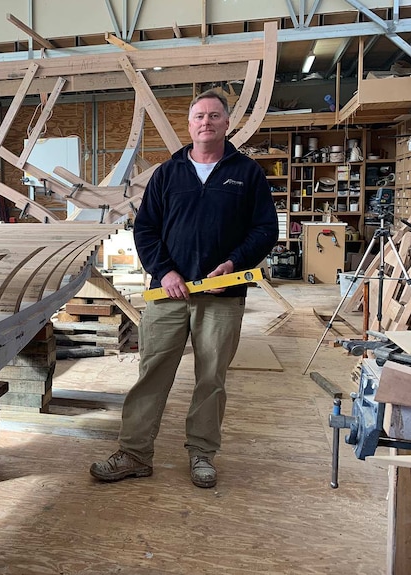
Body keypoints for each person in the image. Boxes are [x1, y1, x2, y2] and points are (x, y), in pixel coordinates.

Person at [90, 90, 278, 488]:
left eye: (213, 116)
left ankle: (202, 454)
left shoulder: (247, 174)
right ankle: (135, 453)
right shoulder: (168, 174)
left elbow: (265, 230)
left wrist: (233, 264)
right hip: (167, 294)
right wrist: (165, 272)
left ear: (227, 124)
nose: (205, 122)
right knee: (152, 373)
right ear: (189, 125)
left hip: (222, 295)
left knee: (211, 378)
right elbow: (145, 229)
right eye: (198, 117)